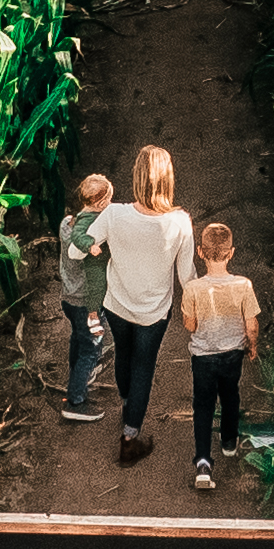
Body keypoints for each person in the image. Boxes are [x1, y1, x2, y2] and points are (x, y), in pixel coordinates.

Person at [96, 145, 194, 466]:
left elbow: (86, 243)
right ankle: (129, 436)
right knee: (143, 367)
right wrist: (196, 307)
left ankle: (128, 403)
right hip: (153, 314)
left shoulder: (113, 214)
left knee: (123, 356)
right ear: (168, 180)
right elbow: (186, 274)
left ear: (137, 177)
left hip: (117, 306)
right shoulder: (180, 222)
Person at [180, 220, 257, 492]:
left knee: (202, 405)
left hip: (202, 356)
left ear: (200, 252)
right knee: (230, 395)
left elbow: (190, 325)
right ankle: (228, 441)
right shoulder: (244, 286)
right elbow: (252, 325)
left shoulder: (192, 289)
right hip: (232, 354)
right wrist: (252, 345)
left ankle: (203, 463)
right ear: (231, 252)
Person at [53, 173, 112, 425]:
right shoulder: (93, 234)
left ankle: (77, 376)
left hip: (68, 297)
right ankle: (75, 400)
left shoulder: (67, 223)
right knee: (91, 347)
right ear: (100, 204)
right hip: (86, 301)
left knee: (78, 338)